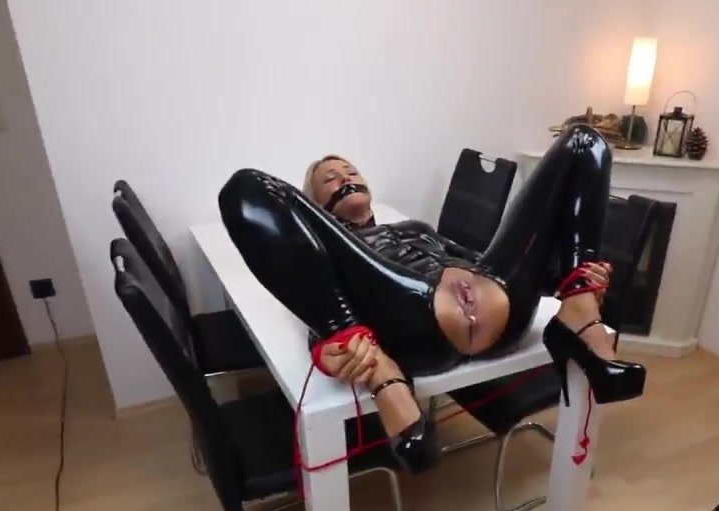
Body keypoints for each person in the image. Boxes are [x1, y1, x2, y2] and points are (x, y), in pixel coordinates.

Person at [218, 125, 645, 474]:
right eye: (330, 179)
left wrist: (566, 275)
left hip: (500, 300)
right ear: (314, 205)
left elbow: (479, 258)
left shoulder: (414, 227)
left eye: (351, 172)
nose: (345, 178)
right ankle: (380, 370)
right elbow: (312, 299)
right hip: (412, 319)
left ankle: (579, 313)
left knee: (583, 141)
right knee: (246, 187)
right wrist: (327, 342)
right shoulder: (335, 256)